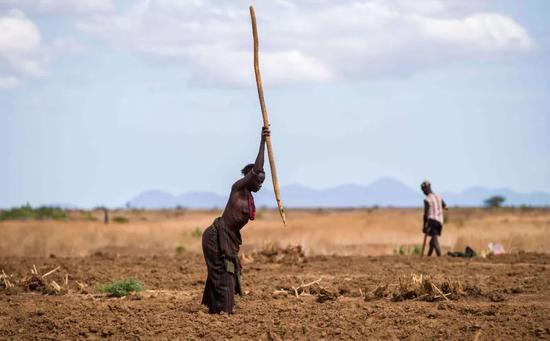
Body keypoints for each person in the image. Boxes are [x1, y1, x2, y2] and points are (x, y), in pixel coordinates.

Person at [201, 126, 269, 314]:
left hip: (227, 239)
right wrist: (262, 141)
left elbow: (257, 173)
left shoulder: (248, 198)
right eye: (258, 180)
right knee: (223, 275)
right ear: (249, 179)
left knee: (228, 275)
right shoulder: (238, 189)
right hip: (215, 237)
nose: (260, 184)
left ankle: (217, 310)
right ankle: (222, 313)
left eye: (263, 181)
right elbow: (256, 170)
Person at [421, 180, 448, 257]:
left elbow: (425, 214)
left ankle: (439, 256)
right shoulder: (438, 196)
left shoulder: (427, 199)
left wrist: (424, 226)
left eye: (423, 190)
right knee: (433, 239)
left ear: (425, 189)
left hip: (432, 220)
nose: (423, 192)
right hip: (440, 221)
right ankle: (429, 255)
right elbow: (445, 206)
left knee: (435, 239)